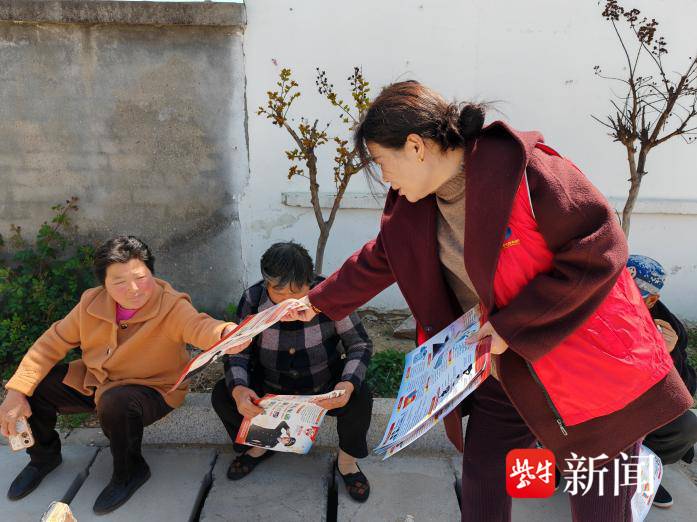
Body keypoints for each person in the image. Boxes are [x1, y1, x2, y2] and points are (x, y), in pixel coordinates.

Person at [282, 81, 694, 521]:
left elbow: (600, 247)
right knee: (483, 479)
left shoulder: (526, 172)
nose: (384, 178)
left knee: (599, 505)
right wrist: (316, 302)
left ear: (416, 147)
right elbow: (382, 257)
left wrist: (514, 324)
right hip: (505, 366)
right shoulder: (411, 206)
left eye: (382, 162)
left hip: (589, 369)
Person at [0, 236, 249, 515]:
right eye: (119, 282)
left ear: (151, 273)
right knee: (37, 385)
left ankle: (130, 472)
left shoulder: (171, 306)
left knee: (116, 402)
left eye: (141, 277)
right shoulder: (91, 303)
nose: (134, 289)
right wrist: (16, 392)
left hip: (152, 389)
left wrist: (225, 333)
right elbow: (50, 343)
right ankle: (43, 458)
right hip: (98, 380)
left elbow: (200, 326)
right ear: (104, 284)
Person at [211, 242, 374, 502]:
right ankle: (259, 447)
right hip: (271, 388)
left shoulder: (330, 294)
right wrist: (240, 389)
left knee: (360, 395)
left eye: (296, 292)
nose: (288, 301)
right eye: (278, 292)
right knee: (224, 393)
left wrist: (346, 384)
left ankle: (347, 462)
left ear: (310, 282)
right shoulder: (253, 299)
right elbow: (238, 351)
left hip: (323, 387)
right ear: (267, 284)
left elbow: (359, 344)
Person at [627, 254, 697, 509]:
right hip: (590, 400)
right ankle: (559, 458)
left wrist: (670, 354)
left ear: (652, 300)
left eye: (630, 292)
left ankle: (641, 472)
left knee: (685, 425)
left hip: (638, 406)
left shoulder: (668, 328)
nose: (618, 296)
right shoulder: (589, 305)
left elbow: (686, 389)